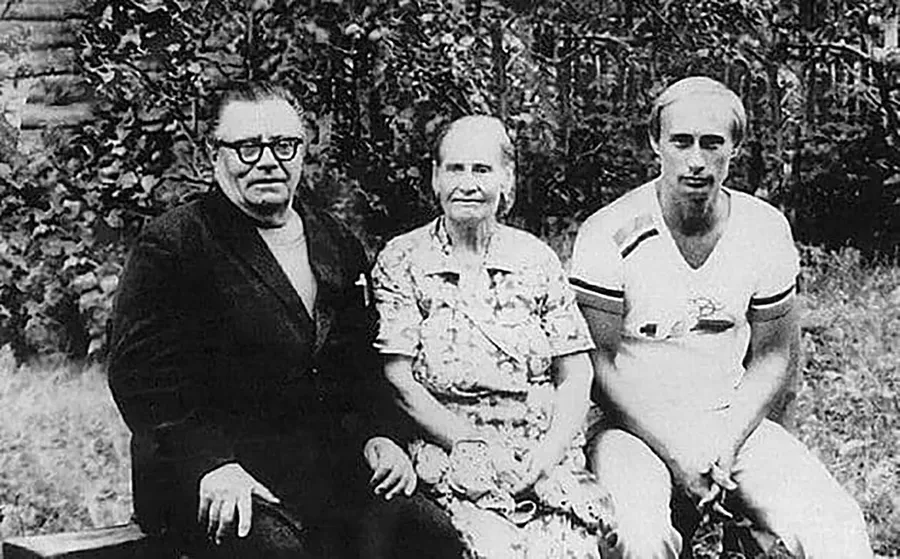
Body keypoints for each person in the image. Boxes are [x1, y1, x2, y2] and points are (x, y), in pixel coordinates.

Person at [107, 81, 415, 559]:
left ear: (302, 151)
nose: (268, 161)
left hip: (322, 473)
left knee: (429, 534)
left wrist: (382, 435)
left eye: (284, 145)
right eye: (247, 147)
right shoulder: (174, 245)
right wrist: (209, 464)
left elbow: (361, 363)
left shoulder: (335, 241)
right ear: (214, 154)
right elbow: (143, 380)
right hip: (211, 478)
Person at [569, 76, 872, 559]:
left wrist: (727, 443)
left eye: (712, 143)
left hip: (729, 419)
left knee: (836, 525)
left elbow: (772, 355)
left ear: (735, 147)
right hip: (631, 428)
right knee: (639, 537)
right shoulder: (609, 232)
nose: (696, 160)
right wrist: (675, 453)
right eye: (681, 142)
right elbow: (597, 366)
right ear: (656, 143)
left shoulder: (763, 229)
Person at [371, 115, 615, 558]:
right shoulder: (403, 259)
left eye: (482, 170)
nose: (468, 183)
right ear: (435, 178)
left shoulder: (536, 258)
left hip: (541, 455)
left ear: (507, 179)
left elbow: (576, 373)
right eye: (455, 169)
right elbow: (399, 381)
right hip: (452, 453)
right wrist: (478, 448)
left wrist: (548, 454)